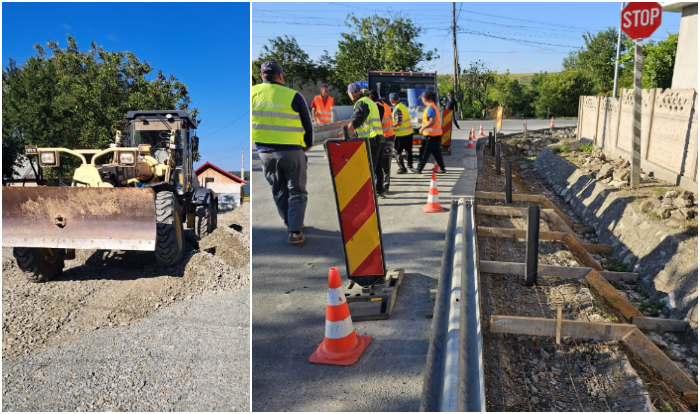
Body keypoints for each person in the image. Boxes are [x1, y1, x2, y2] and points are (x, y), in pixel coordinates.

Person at [252, 61, 313, 244]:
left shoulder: (251, 93)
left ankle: (290, 224)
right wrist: (307, 145)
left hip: (265, 153)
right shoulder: (293, 96)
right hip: (292, 151)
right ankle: (295, 231)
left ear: (262, 76)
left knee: (279, 190)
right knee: (297, 191)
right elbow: (307, 124)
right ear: (280, 76)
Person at [340, 83, 386, 197]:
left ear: (351, 94)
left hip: (370, 140)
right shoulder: (369, 101)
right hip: (377, 138)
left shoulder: (361, 103)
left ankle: (368, 196)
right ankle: (379, 190)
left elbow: (357, 120)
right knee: (376, 167)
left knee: (367, 169)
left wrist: (344, 134)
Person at [410, 91, 446, 174]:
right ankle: (442, 168)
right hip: (435, 135)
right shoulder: (432, 106)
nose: (422, 100)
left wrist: (423, 128)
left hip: (430, 135)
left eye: (422, 98)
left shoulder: (430, 108)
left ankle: (419, 169)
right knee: (436, 152)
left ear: (425, 98)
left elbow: (432, 121)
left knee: (424, 152)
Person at [368, 90, 395, 192]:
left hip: (383, 137)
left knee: (381, 163)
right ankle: (385, 185)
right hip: (390, 135)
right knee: (386, 162)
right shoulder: (385, 104)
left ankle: (383, 186)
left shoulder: (376, 106)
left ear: (370, 96)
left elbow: (376, 123)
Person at [390, 93, 413, 173]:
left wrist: (390, 126)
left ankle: (402, 168)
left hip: (401, 134)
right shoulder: (403, 106)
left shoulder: (397, 108)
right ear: (398, 99)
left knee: (397, 151)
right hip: (409, 132)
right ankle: (410, 165)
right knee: (408, 150)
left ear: (391, 101)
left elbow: (399, 122)